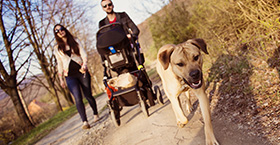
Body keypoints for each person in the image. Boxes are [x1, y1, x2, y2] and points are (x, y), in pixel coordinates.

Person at [53, 24, 99, 129]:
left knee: (88, 95)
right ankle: (85, 122)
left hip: (81, 72)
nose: (60, 31)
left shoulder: (75, 40)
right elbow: (59, 63)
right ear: (56, 34)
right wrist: (61, 79)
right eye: (57, 31)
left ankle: (95, 113)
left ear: (65, 30)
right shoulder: (57, 48)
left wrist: (85, 65)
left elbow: (84, 54)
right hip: (69, 76)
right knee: (78, 98)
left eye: (61, 29)